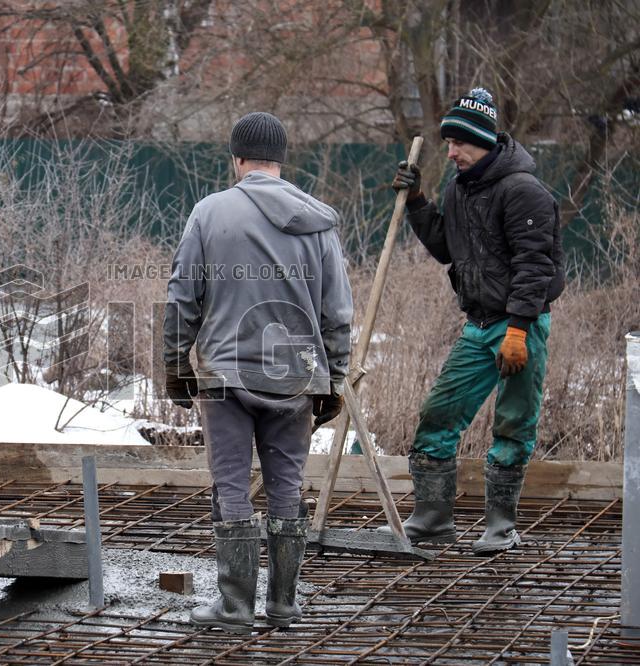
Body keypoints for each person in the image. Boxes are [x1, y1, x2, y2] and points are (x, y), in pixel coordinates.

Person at [163, 112, 353, 633]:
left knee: (231, 487)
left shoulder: (209, 212)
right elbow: (338, 312)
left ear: (237, 160)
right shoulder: (317, 221)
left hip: (226, 377)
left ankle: (235, 606)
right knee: (287, 487)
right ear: (279, 159)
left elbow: (183, 297)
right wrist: (334, 378)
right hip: (294, 377)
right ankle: (285, 604)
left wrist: (176, 366)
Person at [388, 88, 564, 555]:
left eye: (459, 143)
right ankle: (431, 521)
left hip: (520, 326)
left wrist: (519, 330)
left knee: (512, 424)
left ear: (483, 141)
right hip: (479, 324)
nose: (451, 152)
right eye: (447, 143)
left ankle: (500, 527)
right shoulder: (459, 190)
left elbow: (535, 266)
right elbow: (448, 247)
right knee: (437, 417)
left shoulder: (523, 191)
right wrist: (419, 202)